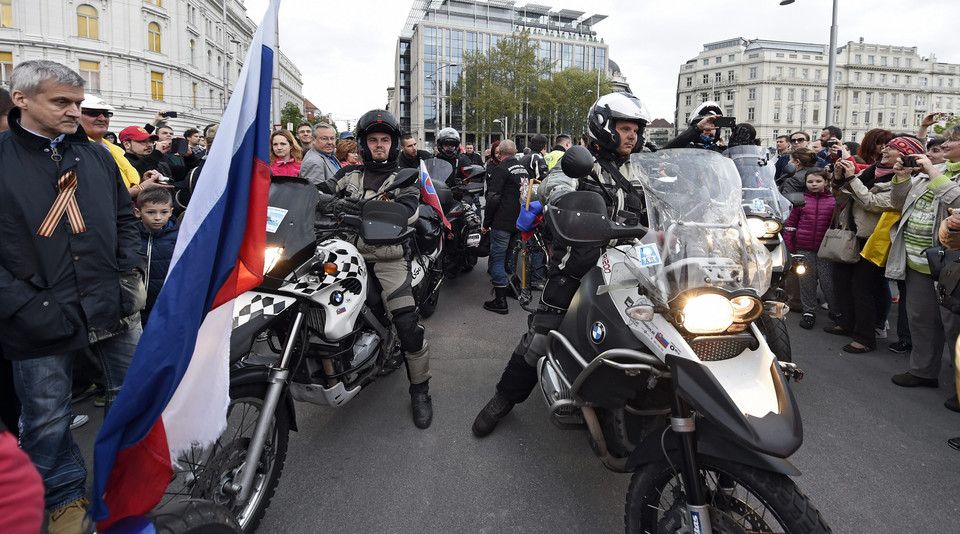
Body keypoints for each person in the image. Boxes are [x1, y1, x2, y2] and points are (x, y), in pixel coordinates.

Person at [0, 59, 143, 534]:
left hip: (109, 304)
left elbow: (126, 217)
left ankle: (129, 486)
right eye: (62, 102)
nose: (74, 112)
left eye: (79, 103)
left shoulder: (98, 156)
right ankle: (63, 498)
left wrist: (127, 276)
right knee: (45, 420)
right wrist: (24, 305)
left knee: (135, 396)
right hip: (35, 317)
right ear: (21, 99)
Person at [472, 92, 650, 437]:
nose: (632, 136)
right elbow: (552, 186)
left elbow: (669, 200)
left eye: (635, 130)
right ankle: (503, 398)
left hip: (637, 267)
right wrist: (565, 201)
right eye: (625, 128)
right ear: (604, 128)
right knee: (542, 334)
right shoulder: (578, 161)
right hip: (581, 263)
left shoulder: (642, 168)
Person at [316, 109, 434, 429]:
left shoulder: (403, 177)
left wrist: (359, 209)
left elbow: (407, 212)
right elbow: (318, 195)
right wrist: (327, 203)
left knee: (407, 324)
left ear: (393, 144)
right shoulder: (347, 175)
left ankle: (420, 389)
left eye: (384, 140)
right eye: (373, 140)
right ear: (364, 145)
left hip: (387, 258)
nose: (379, 145)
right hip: (344, 254)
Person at [887, 130, 960, 396]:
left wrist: (931, 171)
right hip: (918, 261)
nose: (944, 145)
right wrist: (902, 177)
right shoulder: (932, 170)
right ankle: (923, 371)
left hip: (951, 266)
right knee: (921, 320)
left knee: (954, 328)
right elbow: (897, 203)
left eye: (951, 141)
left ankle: (959, 388)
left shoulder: (935, 172)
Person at [825, 136, 909, 352]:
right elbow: (842, 199)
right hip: (851, 234)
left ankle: (865, 338)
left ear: (904, 156)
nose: (884, 150)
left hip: (874, 240)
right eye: (886, 147)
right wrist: (837, 179)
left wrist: (852, 179)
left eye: (891, 148)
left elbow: (872, 203)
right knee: (842, 281)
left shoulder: (902, 180)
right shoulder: (870, 171)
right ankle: (847, 323)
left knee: (863, 288)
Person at [81, 94, 167, 200]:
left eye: (107, 114)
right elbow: (100, 195)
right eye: (93, 113)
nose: (102, 118)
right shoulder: (78, 151)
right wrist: (142, 187)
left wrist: (142, 181)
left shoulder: (115, 151)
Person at [782, 169, 837, 329]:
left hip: (826, 249)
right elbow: (791, 225)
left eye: (818, 181)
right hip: (804, 248)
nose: (814, 184)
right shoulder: (800, 201)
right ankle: (809, 311)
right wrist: (790, 248)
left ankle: (835, 310)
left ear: (826, 182)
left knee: (829, 282)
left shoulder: (834, 201)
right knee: (806, 281)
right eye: (810, 182)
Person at [482, 140, 525, 314]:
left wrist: (487, 222)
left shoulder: (501, 169)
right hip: (519, 222)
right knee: (509, 258)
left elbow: (492, 198)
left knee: (497, 260)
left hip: (502, 222)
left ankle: (500, 301)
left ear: (499, 152)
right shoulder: (523, 169)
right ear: (515, 150)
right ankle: (510, 288)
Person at [135, 188, 179, 325]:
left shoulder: (178, 238)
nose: (158, 217)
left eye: (164, 212)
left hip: (165, 305)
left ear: (171, 211)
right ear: (138, 212)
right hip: (134, 306)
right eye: (150, 212)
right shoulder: (129, 237)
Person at [300, 122, 341, 188]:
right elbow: (317, 193)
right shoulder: (313, 162)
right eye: (324, 139)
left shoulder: (330, 154)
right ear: (313, 140)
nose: (330, 142)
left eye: (332, 138)